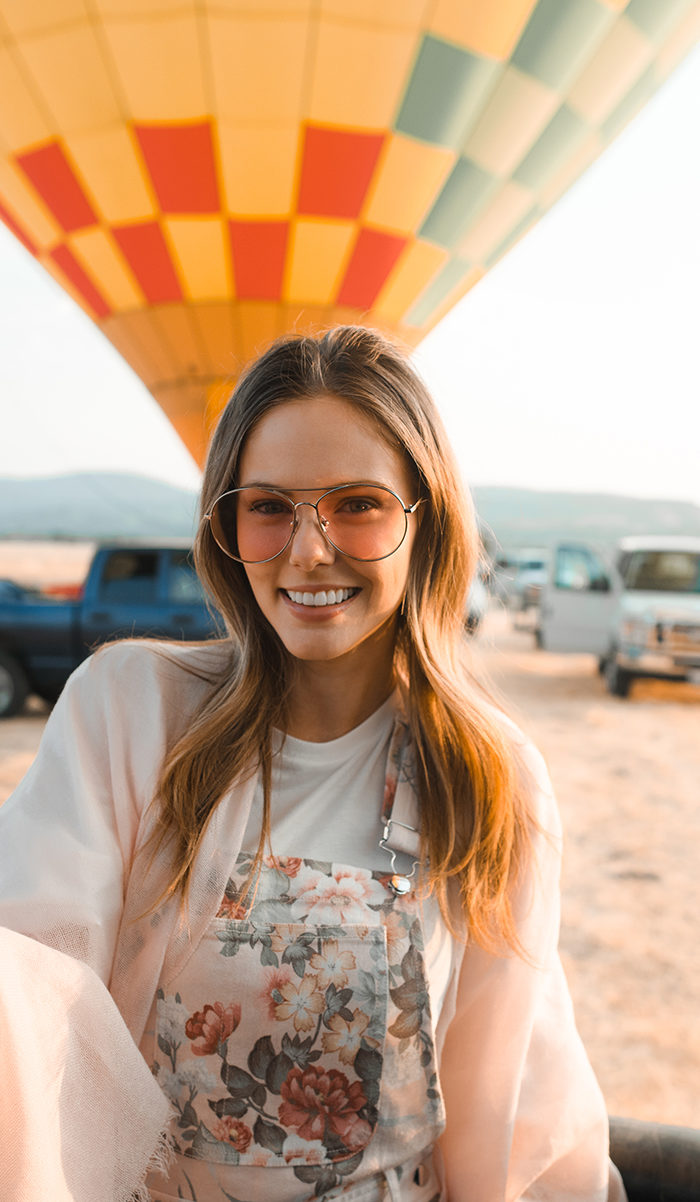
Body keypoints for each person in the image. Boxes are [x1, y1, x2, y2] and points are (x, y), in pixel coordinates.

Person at [0, 326, 625, 1202]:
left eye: (357, 504)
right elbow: (29, 975)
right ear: (225, 525)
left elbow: (506, 1103)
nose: (307, 550)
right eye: (267, 506)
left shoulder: (492, 781)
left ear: (426, 520)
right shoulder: (130, 711)